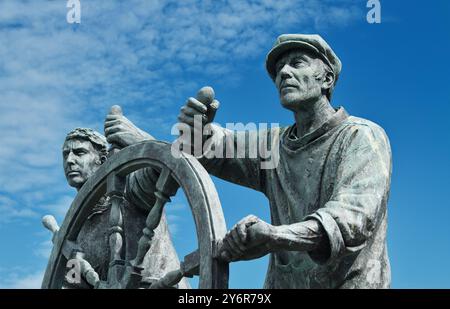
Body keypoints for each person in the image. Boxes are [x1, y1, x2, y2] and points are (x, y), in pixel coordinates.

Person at [107, 34, 392, 289]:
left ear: (326, 79)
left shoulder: (362, 137)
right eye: (279, 69)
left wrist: (275, 236)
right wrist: (196, 132)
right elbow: (219, 147)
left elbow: (351, 220)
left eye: (297, 63)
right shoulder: (274, 143)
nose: (284, 73)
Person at [61, 127, 189, 288]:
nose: (69, 160)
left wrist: (141, 141)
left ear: (101, 160)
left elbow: (165, 165)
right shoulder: (75, 229)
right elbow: (73, 283)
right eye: (65, 154)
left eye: (79, 153)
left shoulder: (131, 190)